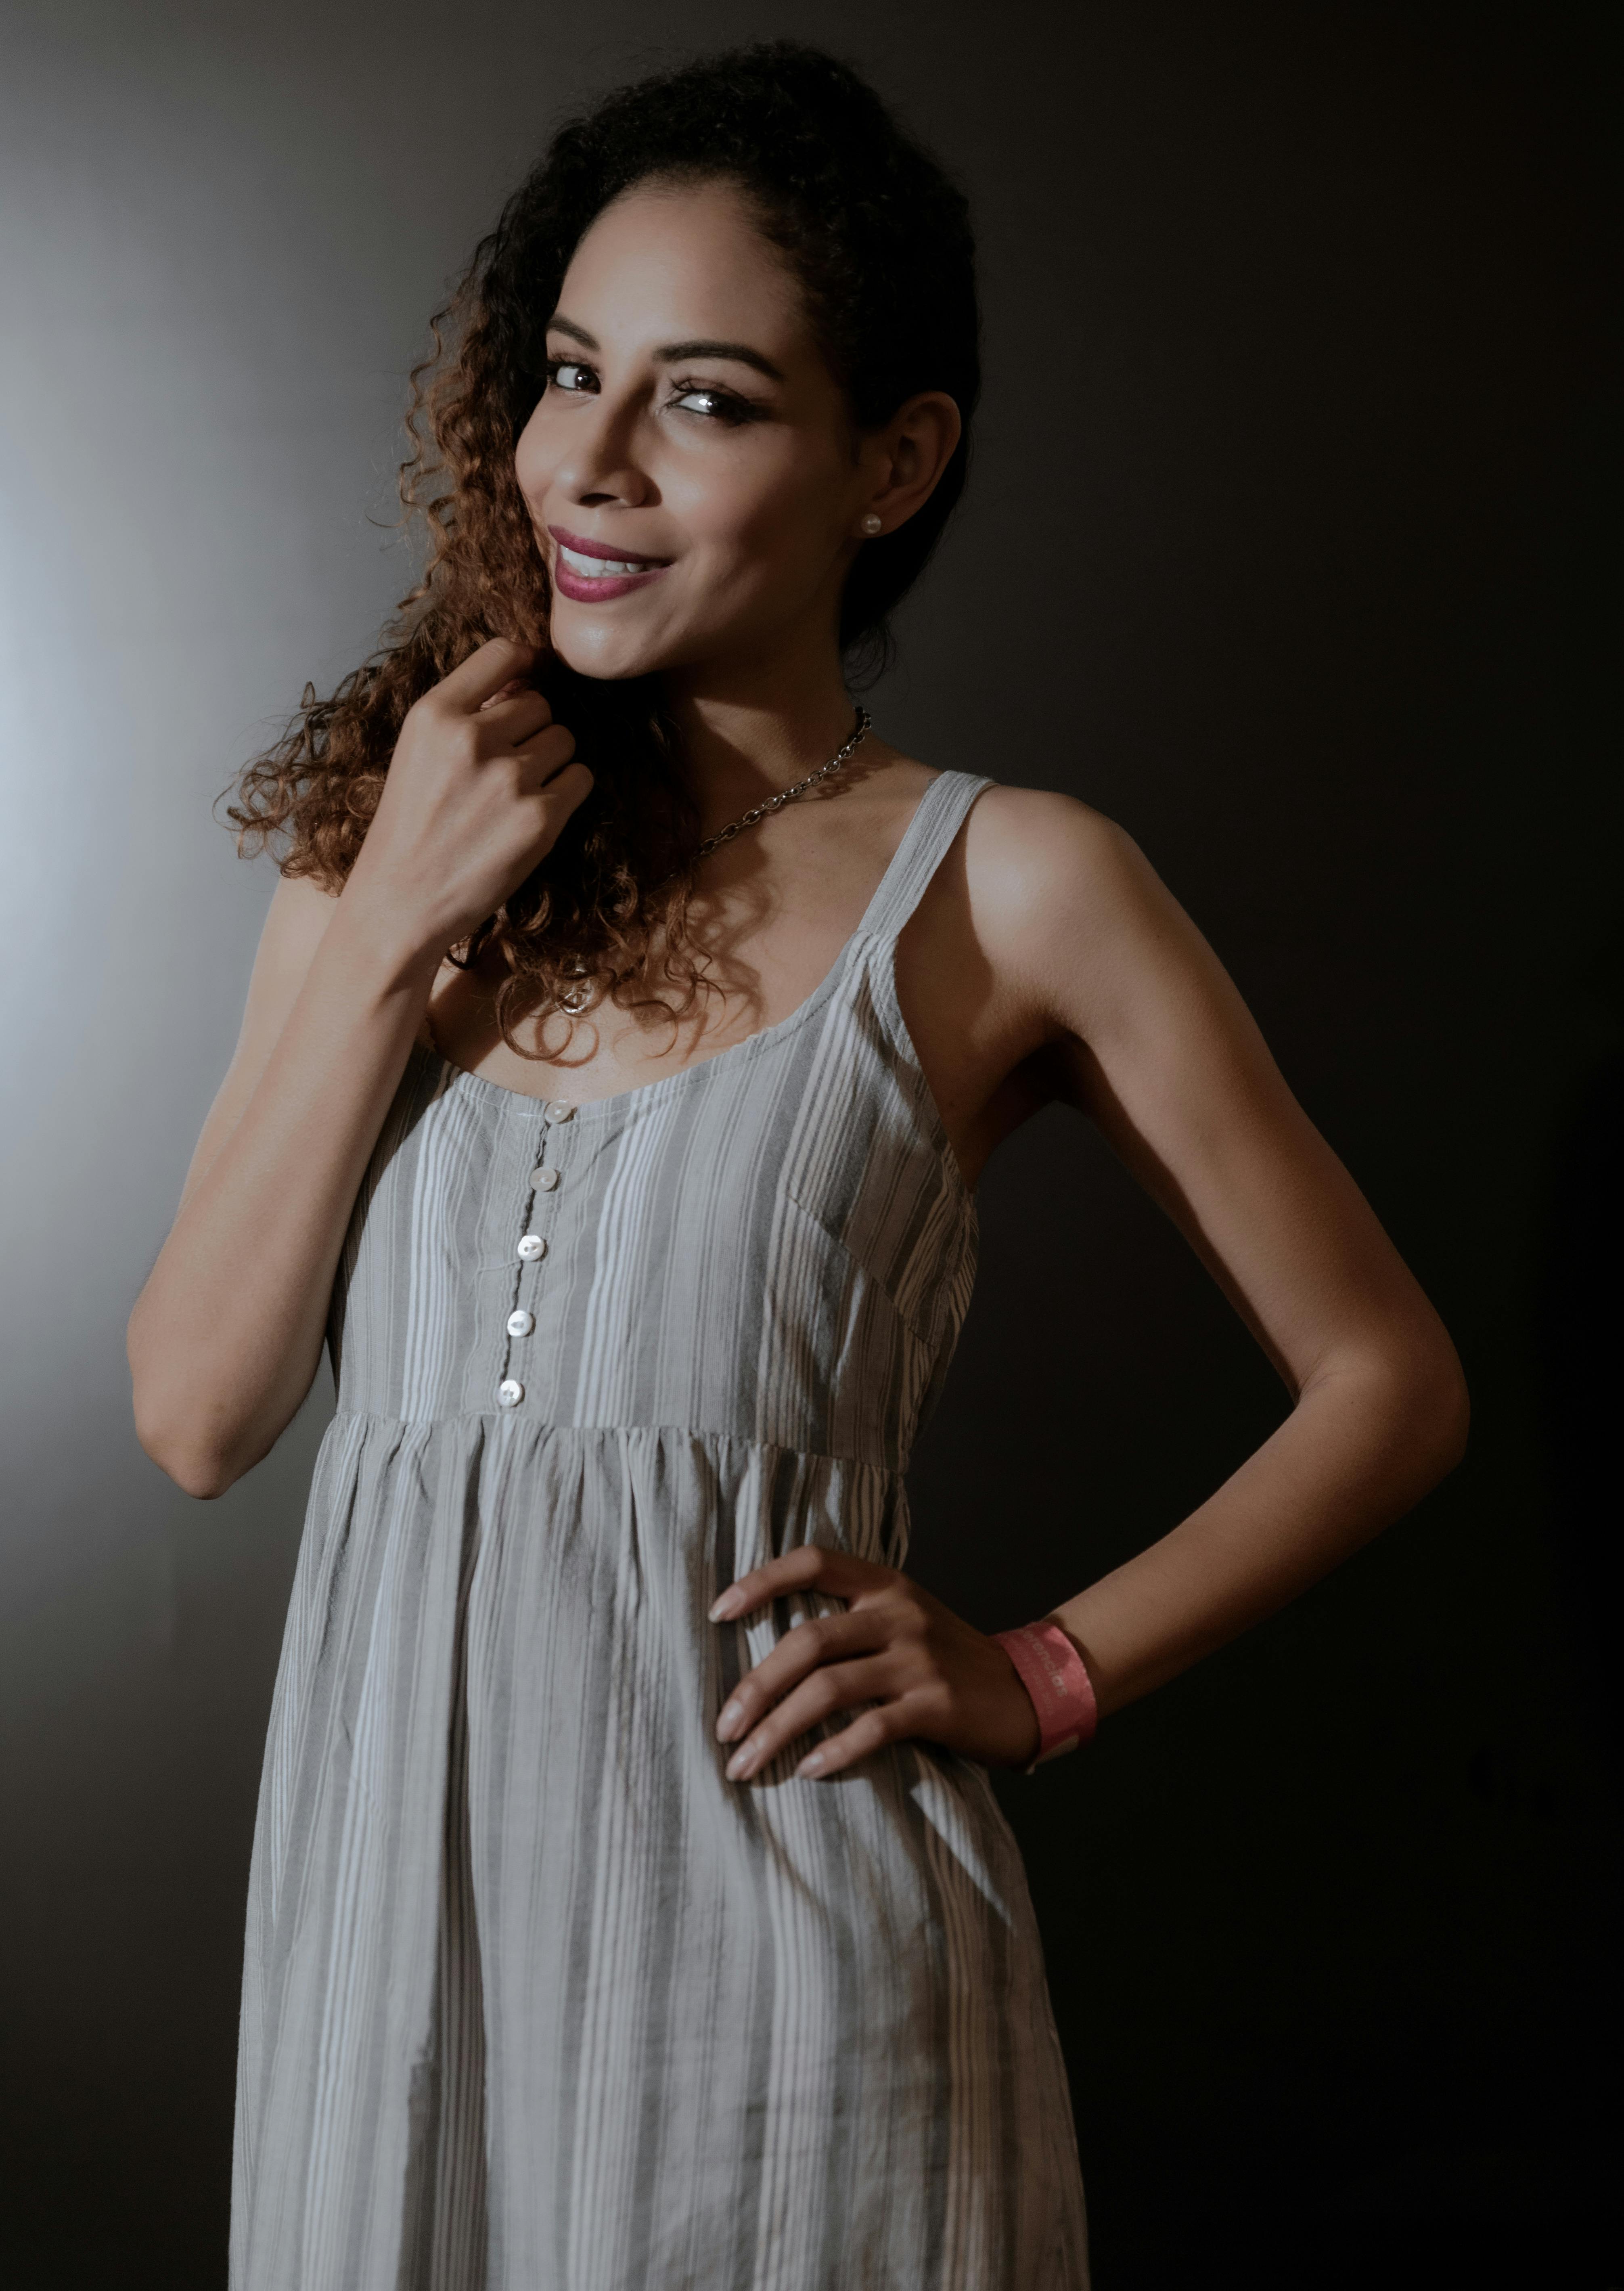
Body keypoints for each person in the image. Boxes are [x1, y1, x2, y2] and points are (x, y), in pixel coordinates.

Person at [127, 39, 1468, 2291]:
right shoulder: (393, 866)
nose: (596, 464)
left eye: (710, 399)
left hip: (790, 2023)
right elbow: (197, 1416)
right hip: (398, 1996)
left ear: (892, 462)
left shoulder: (1014, 886)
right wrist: (388, 932)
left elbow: (1387, 1383)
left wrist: (1039, 1673)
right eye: (571, 373)